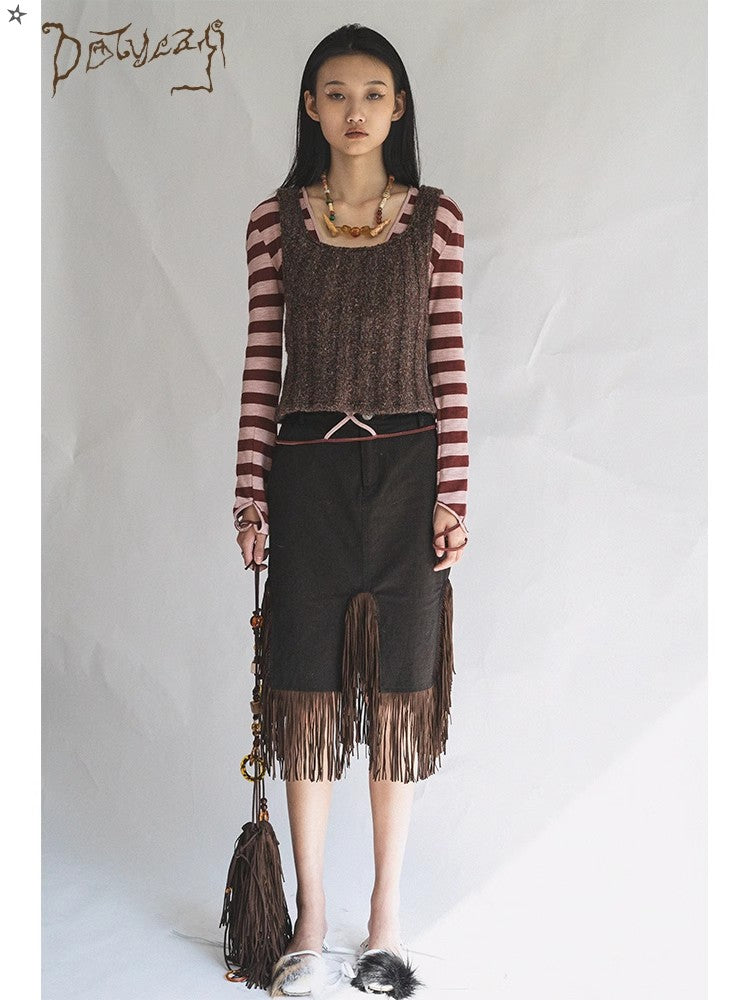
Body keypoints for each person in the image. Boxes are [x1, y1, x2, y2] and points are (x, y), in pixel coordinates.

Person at [232, 23, 469, 998]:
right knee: (306, 700)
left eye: (374, 93)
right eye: (336, 93)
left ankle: (385, 922)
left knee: (401, 700)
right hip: (306, 476)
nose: (356, 110)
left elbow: (449, 362)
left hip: (409, 473)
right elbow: (262, 364)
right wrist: (249, 492)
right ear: (310, 106)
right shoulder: (274, 222)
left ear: (398, 107)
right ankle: (310, 920)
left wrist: (455, 495)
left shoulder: (436, 220)